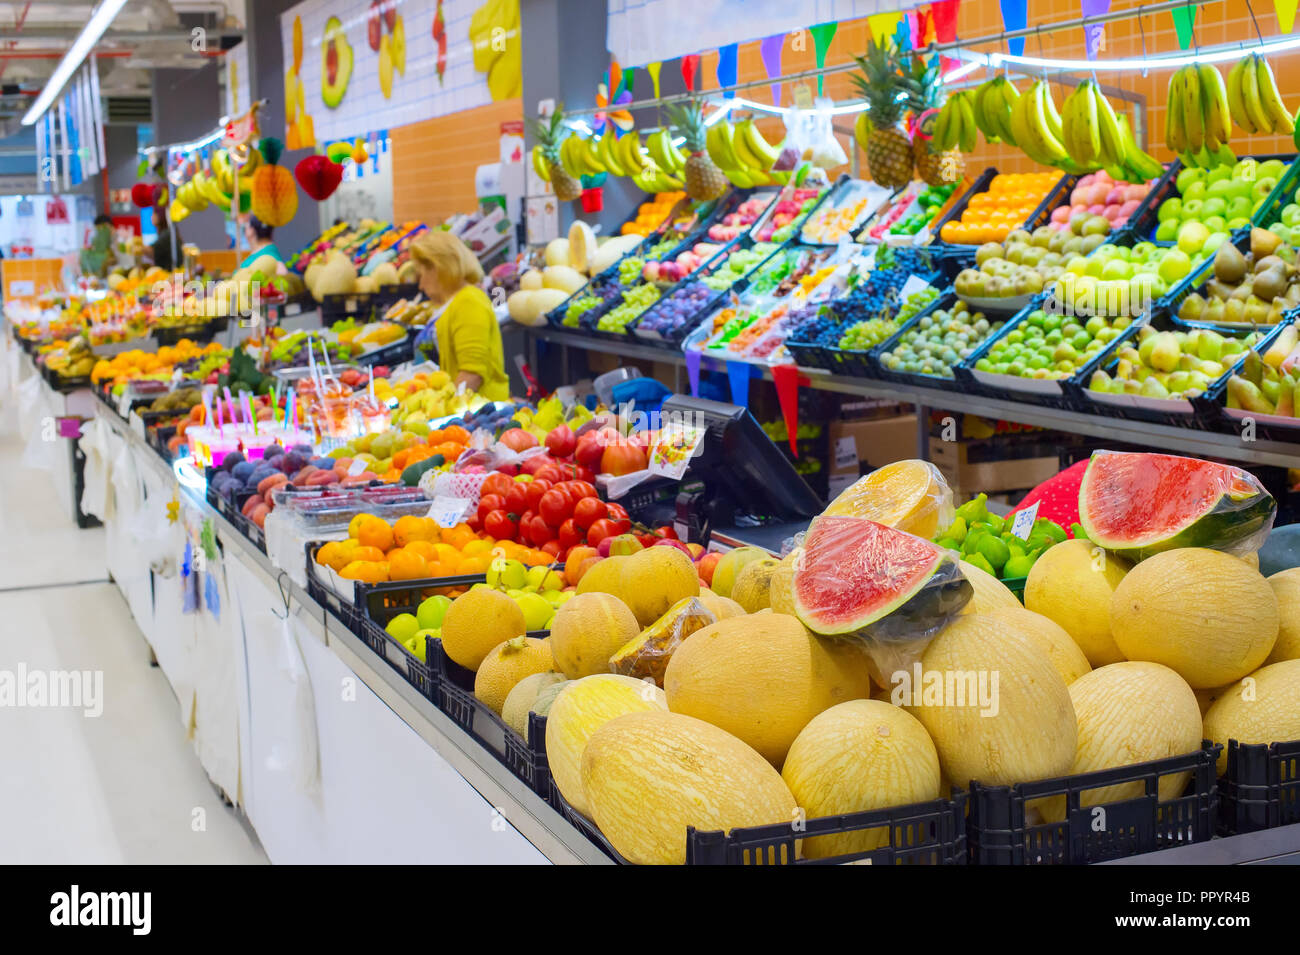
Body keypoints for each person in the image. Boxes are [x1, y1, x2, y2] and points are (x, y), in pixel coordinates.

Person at [409, 231, 509, 401]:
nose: (421, 284)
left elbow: (472, 374)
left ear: (439, 267)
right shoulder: (452, 302)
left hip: (478, 412)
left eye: (422, 273)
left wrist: (444, 407)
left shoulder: (469, 301)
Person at [147, 207, 177, 271]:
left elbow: (153, 250)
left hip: (174, 273)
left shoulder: (167, 233)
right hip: (172, 273)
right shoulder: (166, 232)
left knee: (178, 281)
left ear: (160, 215)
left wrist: (139, 247)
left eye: (153, 214)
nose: (151, 217)